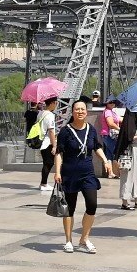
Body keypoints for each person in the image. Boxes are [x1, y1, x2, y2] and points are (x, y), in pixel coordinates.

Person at [53, 100, 115, 254]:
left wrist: (105, 161)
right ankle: (68, 240)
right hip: (69, 174)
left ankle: (84, 239)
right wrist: (57, 172)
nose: (80, 112)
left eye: (82, 109)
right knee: (70, 208)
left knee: (92, 205)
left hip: (87, 173)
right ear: (73, 112)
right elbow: (59, 153)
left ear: (86, 112)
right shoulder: (65, 131)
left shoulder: (91, 129)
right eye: (77, 109)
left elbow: (97, 147)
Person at [114, 108, 137, 210]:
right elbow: (129, 138)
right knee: (127, 176)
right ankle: (125, 201)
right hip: (128, 151)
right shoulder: (128, 124)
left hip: (135, 150)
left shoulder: (134, 122)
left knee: (136, 176)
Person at [37, 96, 58, 192]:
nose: (56, 105)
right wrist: (54, 145)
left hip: (41, 141)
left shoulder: (40, 113)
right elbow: (51, 131)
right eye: (56, 103)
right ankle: (43, 184)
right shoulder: (50, 115)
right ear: (52, 103)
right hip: (47, 142)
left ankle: (43, 183)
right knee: (48, 163)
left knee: (46, 163)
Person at [99, 98, 121, 175]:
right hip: (109, 135)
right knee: (115, 152)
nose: (112, 104)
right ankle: (117, 172)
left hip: (108, 135)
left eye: (113, 102)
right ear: (107, 104)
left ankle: (110, 173)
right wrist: (120, 129)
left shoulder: (111, 112)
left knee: (109, 155)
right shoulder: (108, 112)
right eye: (110, 102)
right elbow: (110, 123)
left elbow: (119, 119)